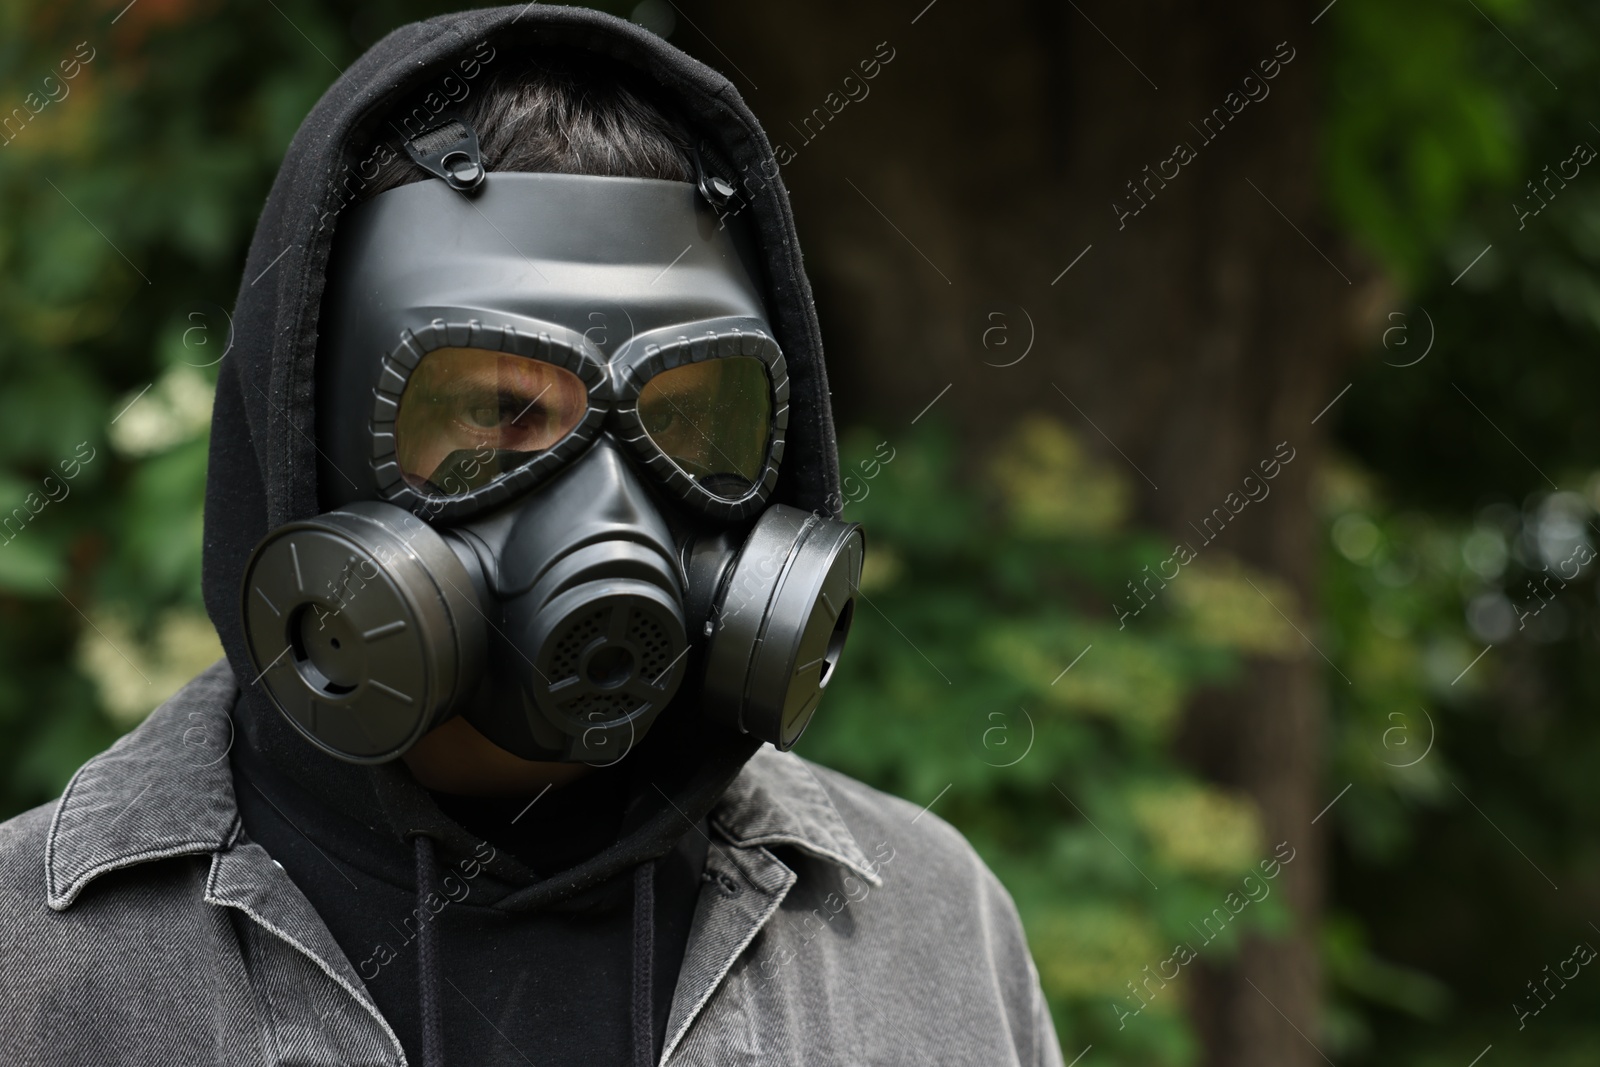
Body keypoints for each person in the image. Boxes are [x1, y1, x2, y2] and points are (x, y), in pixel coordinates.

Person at [0, 7, 1062, 1066]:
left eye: (686, 420)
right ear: (305, 456)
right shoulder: (35, 961)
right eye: (499, 414)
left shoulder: (929, 921)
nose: (610, 511)